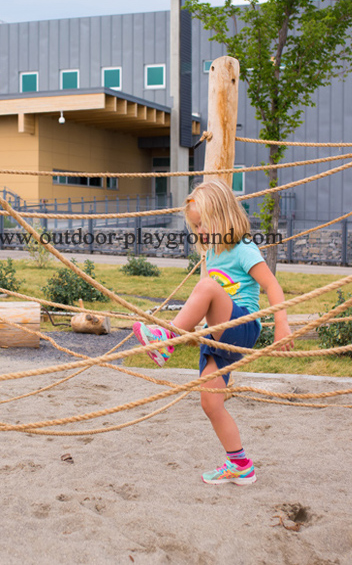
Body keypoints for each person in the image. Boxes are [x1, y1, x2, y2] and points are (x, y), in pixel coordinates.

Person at [132, 179, 291, 485]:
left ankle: (167, 341)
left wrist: (282, 324)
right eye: (196, 226)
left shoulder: (243, 247)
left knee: (206, 285)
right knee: (210, 402)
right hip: (216, 336)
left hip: (241, 325)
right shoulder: (213, 254)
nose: (200, 231)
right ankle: (240, 464)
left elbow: (272, 285)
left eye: (204, 223)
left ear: (222, 215)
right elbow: (205, 304)